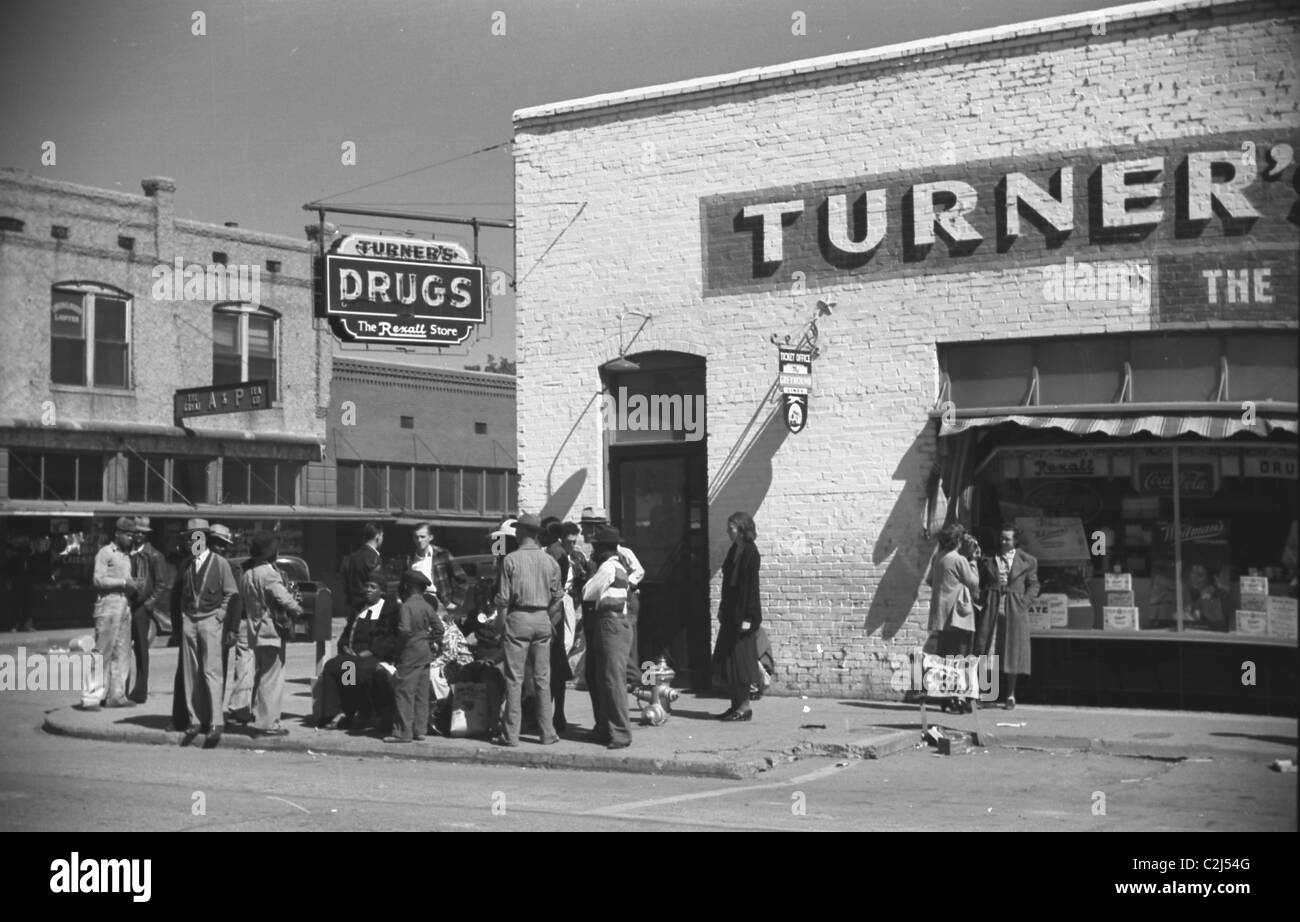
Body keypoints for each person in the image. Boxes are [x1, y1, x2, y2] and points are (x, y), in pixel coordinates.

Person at [491, 513, 563, 747]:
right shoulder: (549, 561)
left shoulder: (510, 560)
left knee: (514, 679)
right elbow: (558, 598)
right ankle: (547, 732)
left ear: (522, 532)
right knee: (543, 678)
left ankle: (511, 734)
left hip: (518, 617)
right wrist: (548, 620)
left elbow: (502, 599)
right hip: (542, 618)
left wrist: (501, 626)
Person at [170, 518, 238, 745]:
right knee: (191, 673)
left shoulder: (219, 563)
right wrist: (183, 620)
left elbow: (231, 593)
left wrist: (220, 615)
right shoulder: (188, 565)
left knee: (212, 672)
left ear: (205, 538)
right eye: (191, 537)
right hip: (190, 620)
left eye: (197, 536)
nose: (193, 541)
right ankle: (195, 719)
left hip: (210, 621)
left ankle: (216, 721)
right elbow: (179, 595)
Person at [239, 531, 302, 737]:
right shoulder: (269, 573)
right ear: (270, 552)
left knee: (260, 674)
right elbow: (283, 598)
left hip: (255, 630)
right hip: (271, 631)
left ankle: (258, 715)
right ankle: (268, 723)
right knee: (272, 678)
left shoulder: (247, 573)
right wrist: (298, 609)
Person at [316, 579, 400, 732]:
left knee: (354, 670)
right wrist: (345, 646)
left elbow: (389, 639)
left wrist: (370, 652)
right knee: (332, 666)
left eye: (373, 587)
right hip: (353, 655)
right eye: (366, 586)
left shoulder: (388, 611)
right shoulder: (359, 609)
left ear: (382, 591)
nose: (368, 590)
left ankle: (361, 711)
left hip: (375, 655)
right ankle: (334, 712)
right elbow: (346, 634)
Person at [579, 506, 645, 689]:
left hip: (619, 606)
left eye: (585, 527)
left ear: (595, 529)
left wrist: (626, 584)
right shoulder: (592, 555)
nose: (582, 531)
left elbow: (639, 571)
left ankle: (641, 683)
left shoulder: (621, 552)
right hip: (598, 609)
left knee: (623, 649)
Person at [581, 525, 634, 749]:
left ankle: (620, 733)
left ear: (602, 549)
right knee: (605, 679)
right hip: (617, 623)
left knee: (612, 681)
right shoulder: (619, 565)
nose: (593, 551)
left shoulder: (607, 568)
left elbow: (587, 592)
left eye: (595, 547)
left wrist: (592, 570)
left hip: (610, 624)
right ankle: (606, 728)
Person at [976, 525, 1039, 709]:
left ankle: (1010, 695)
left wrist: (1024, 603)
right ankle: (986, 693)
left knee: (1012, 651)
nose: (1003, 542)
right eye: (1002, 538)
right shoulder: (988, 558)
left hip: (1014, 609)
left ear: (1015, 541)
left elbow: (1034, 585)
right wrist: (982, 599)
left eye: (1007, 539)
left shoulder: (1028, 560)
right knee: (988, 650)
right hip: (992, 607)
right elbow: (978, 582)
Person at [712, 511, 765, 722]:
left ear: (742, 530)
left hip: (744, 614)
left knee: (741, 662)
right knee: (729, 661)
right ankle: (734, 704)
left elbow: (751, 589)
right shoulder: (735, 550)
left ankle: (744, 707)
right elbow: (729, 584)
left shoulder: (751, 553)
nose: (727, 531)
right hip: (731, 612)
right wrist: (723, 607)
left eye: (731, 528)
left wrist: (749, 618)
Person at [88, 517, 144, 709]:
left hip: (124, 604)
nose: (131, 538)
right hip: (107, 604)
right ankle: (91, 698)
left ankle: (116, 696)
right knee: (102, 652)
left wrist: (134, 585)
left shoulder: (126, 556)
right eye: (128, 535)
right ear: (117, 534)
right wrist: (123, 583)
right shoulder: (105, 553)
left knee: (123, 652)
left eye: (132, 535)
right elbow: (97, 580)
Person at [926, 524, 982, 714]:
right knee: (961, 656)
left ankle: (947, 696)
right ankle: (958, 698)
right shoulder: (958, 559)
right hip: (958, 616)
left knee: (945, 657)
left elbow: (929, 580)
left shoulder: (938, 557)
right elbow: (974, 583)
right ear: (958, 540)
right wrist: (973, 561)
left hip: (941, 614)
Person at [387, 568, 437, 743]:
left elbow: (404, 630)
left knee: (404, 691)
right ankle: (419, 730)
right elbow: (440, 628)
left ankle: (403, 732)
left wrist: (398, 651)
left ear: (408, 586)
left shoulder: (406, 606)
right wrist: (428, 640)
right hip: (425, 652)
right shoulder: (427, 606)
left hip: (410, 653)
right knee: (421, 693)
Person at [544, 520, 581, 734]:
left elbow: (554, 589)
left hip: (553, 609)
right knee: (555, 663)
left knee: (550, 664)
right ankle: (552, 713)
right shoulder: (558, 553)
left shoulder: (555, 554)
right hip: (557, 607)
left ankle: (548, 714)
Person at [127, 517, 168, 704]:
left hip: (142, 607)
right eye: (136, 532)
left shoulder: (154, 556)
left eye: (143, 532)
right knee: (123, 650)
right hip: (127, 605)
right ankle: (122, 690)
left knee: (141, 649)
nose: (139, 535)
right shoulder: (128, 553)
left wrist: (148, 605)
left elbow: (161, 584)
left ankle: (140, 690)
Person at [342, 522, 385, 612]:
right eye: (382, 536)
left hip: (354, 608)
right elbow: (379, 587)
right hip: (370, 609)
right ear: (377, 537)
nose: (382, 539)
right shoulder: (375, 559)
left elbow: (345, 585)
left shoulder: (351, 557)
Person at [1184, 562, 1228, 630]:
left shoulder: (1212, 596)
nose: (1194, 578)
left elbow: (1216, 625)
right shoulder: (1194, 592)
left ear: (1209, 578)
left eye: (1200, 575)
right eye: (1192, 572)